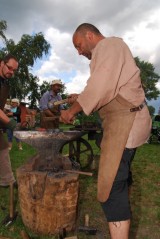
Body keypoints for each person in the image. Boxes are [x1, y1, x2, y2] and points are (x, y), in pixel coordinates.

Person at [60, 23, 152, 239]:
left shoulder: (110, 45)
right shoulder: (110, 51)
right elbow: (104, 87)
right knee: (120, 180)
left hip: (126, 125)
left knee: (111, 187)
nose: (79, 51)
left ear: (90, 35)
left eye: (79, 45)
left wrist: (72, 110)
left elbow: (100, 86)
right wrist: (79, 97)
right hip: (127, 123)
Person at [0, 54, 19, 187]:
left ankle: (7, 180)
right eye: (9, 68)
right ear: (2, 63)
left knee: (3, 148)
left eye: (14, 70)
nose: (11, 72)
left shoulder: (4, 84)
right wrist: (12, 124)